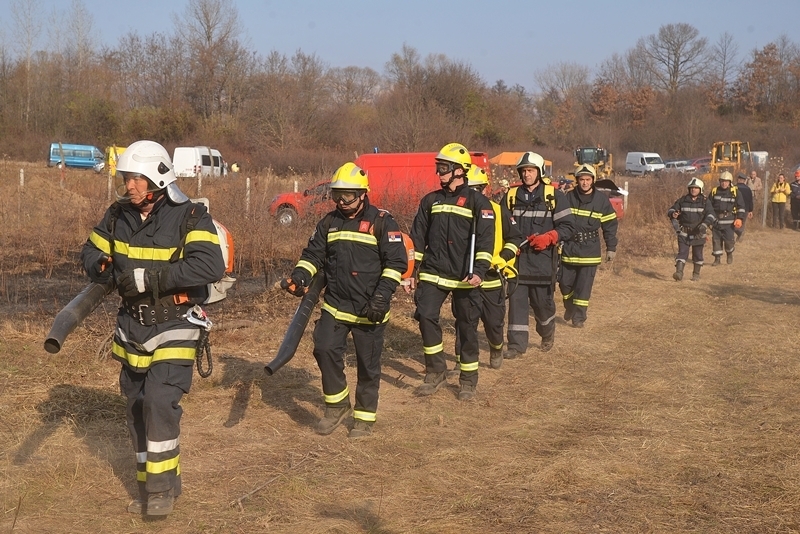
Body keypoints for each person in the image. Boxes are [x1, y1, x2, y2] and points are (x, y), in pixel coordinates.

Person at [80, 140, 226, 516]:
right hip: (132, 327)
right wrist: (99, 265)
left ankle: (159, 493)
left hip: (175, 323)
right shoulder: (117, 215)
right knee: (136, 406)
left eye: (136, 179)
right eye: (126, 178)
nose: (129, 185)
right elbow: (91, 250)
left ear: (158, 179)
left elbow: (209, 267)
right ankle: (156, 483)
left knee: (160, 401)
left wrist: (149, 278)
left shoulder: (191, 216)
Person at [283, 162, 408, 437]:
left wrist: (382, 297)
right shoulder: (329, 222)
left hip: (369, 310)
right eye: (336, 195)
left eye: (347, 195)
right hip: (336, 306)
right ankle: (337, 406)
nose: (341, 201)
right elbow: (313, 255)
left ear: (363, 193)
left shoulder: (382, 222)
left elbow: (395, 264)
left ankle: (363, 419)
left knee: (367, 366)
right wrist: (300, 277)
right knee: (324, 349)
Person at [407, 142, 495, 401]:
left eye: (443, 167)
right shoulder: (430, 201)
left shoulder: (479, 203)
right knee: (425, 315)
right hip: (433, 274)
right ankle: (436, 372)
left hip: (465, 277)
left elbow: (485, 242)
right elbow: (417, 239)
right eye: (438, 167)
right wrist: (411, 272)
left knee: (467, 326)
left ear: (460, 170)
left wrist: (479, 270)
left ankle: (468, 380)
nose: (439, 173)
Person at [450, 165, 521, 372]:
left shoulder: (498, 211)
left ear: (485, 189)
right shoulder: (455, 209)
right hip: (465, 279)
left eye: (478, 189)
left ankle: (496, 348)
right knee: (464, 322)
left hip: (492, 278)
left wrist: (503, 257)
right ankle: (461, 359)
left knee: (493, 323)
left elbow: (515, 238)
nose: (474, 194)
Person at [504, 152, 575, 356]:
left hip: (543, 263)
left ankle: (547, 332)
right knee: (516, 305)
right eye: (523, 171)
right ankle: (516, 347)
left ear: (539, 172)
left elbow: (569, 227)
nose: (526, 175)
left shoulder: (554, 196)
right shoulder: (510, 196)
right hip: (517, 262)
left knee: (542, 307)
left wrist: (551, 237)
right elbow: (500, 226)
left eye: (530, 170)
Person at [559, 164, 618, 327]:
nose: (585, 183)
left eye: (588, 179)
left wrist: (611, 247)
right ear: (577, 181)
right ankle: (569, 305)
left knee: (583, 287)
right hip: (569, 248)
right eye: (582, 179)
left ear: (593, 180)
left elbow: (610, 226)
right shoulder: (567, 198)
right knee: (564, 283)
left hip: (590, 250)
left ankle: (579, 318)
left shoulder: (602, 201)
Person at [668, 177, 715, 281]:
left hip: (698, 233)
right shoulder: (683, 200)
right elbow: (671, 209)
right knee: (682, 253)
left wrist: (704, 225)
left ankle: (696, 274)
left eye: (696, 188)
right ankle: (679, 273)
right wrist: (673, 214)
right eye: (691, 188)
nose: (693, 190)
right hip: (684, 232)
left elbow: (711, 215)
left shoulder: (705, 202)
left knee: (697, 254)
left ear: (700, 189)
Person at [709, 171, 746, 266]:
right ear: (719, 181)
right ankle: (717, 259)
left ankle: (729, 254)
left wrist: (740, 218)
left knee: (729, 240)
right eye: (722, 181)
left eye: (726, 181)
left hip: (729, 221)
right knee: (716, 240)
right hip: (716, 221)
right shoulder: (714, 191)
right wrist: (709, 220)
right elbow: (708, 206)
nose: (724, 183)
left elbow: (741, 206)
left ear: (730, 182)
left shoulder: (735, 192)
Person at [734, 173, 753, 242]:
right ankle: (740, 236)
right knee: (742, 223)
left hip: (736, 209)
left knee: (734, 224)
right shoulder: (748, 189)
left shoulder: (734, 188)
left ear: (738, 179)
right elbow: (750, 200)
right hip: (745, 209)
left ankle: (739, 233)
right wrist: (750, 210)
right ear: (744, 180)